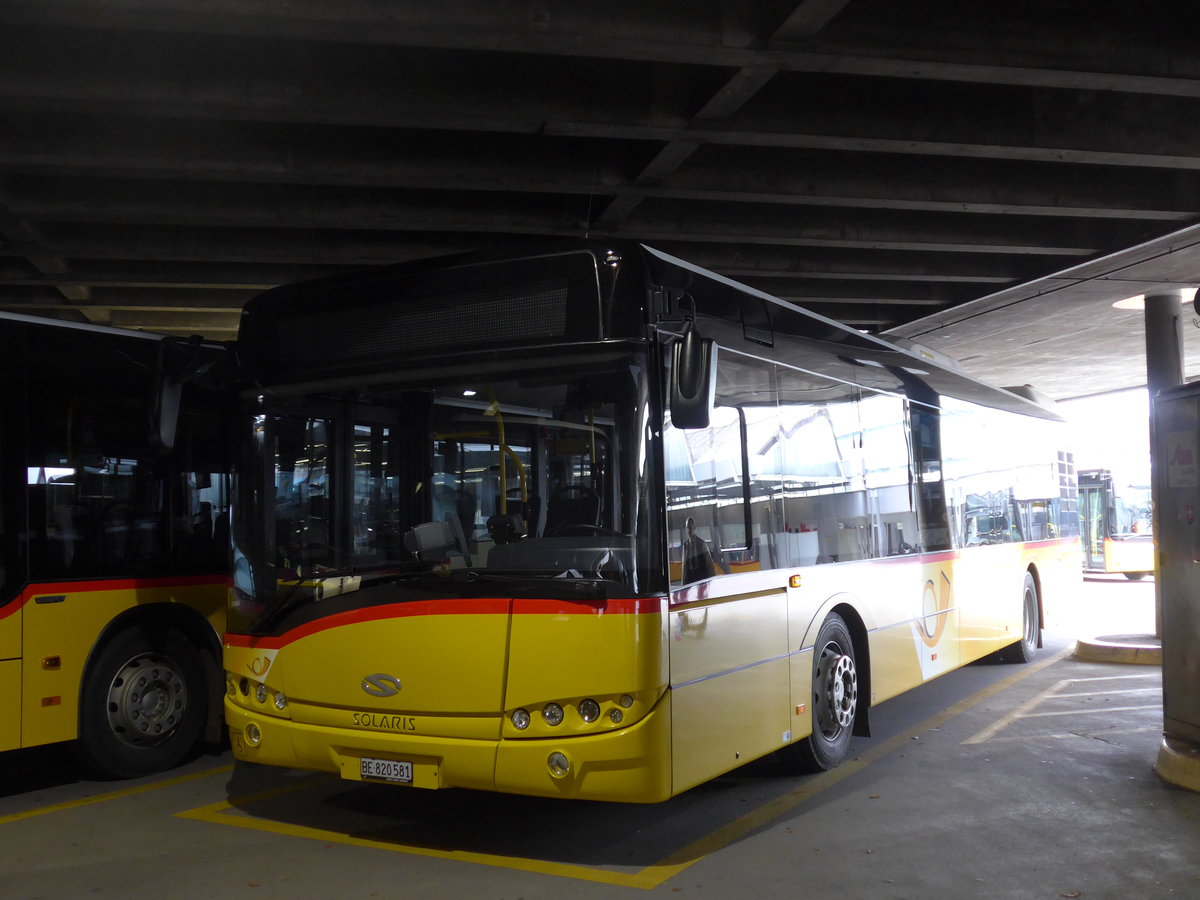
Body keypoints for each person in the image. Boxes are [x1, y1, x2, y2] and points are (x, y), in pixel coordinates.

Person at [681, 516, 718, 584]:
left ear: (694, 528)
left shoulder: (702, 544)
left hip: (701, 577)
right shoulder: (685, 546)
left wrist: (713, 580)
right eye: (687, 528)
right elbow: (684, 567)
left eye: (690, 527)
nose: (689, 530)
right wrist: (683, 583)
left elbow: (709, 563)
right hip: (690, 579)